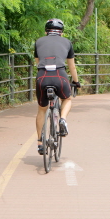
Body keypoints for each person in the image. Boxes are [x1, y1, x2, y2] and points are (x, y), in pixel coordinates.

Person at [34, 18, 80, 155]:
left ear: (46, 31)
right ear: (62, 32)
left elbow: (38, 62)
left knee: (42, 110)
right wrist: (76, 82)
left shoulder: (38, 42)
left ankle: (40, 143)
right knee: (67, 99)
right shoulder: (67, 42)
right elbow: (72, 66)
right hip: (60, 75)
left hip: (42, 76)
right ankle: (62, 119)